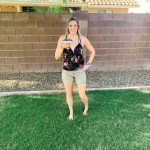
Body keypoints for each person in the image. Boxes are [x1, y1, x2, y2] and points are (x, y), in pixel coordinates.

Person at [55, 17, 95, 120]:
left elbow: (93, 51)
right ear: (68, 27)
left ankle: (86, 105)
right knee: (69, 94)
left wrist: (88, 65)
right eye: (71, 25)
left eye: (75, 25)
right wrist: (62, 46)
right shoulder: (62, 38)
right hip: (66, 72)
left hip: (79, 71)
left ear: (78, 27)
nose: (73, 27)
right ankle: (71, 113)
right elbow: (56, 56)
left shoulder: (83, 39)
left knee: (82, 95)